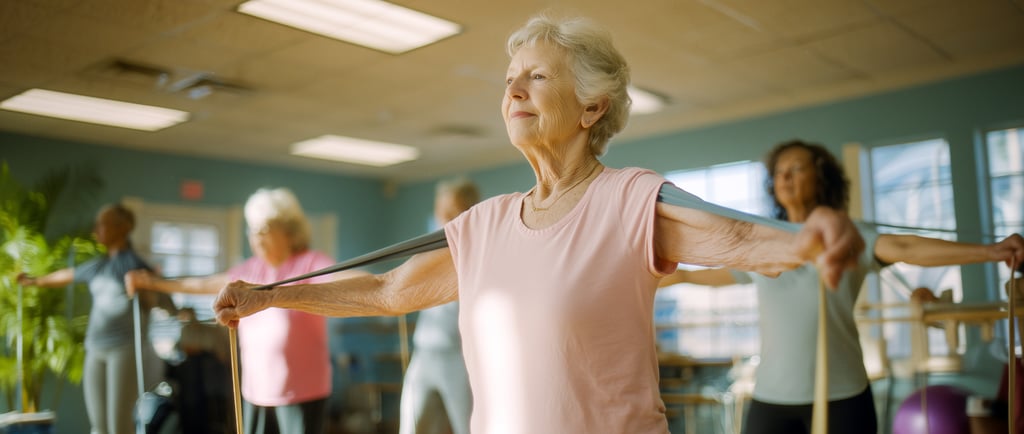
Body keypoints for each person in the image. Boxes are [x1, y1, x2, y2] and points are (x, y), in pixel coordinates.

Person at [213, 14, 867, 433]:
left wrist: (812, 238)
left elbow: (737, 239)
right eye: (508, 80)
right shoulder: (485, 225)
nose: (513, 90)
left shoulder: (628, 201)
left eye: (535, 76)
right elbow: (386, 293)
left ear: (591, 108)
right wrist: (270, 297)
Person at [659, 139, 1024, 434]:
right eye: (779, 171)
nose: (784, 178)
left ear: (821, 177)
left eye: (795, 169)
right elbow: (702, 275)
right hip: (771, 398)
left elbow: (907, 247)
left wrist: (991, 251)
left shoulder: (853, 236)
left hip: (843, 396)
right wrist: (664, 274)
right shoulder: (763, 243)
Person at [125, 187, 361, 434]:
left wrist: (383, 286)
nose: (256, 237)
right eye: (252, 229)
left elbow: (342, 278)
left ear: (289, 231)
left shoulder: (310, 263)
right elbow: (204, 283)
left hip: (303, 390)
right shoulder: (248, 270)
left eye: (265, 229)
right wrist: (151, 282)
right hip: (256, 389)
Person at [17, 203, 169, 434]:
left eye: (102, 224)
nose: (95, 229)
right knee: (99, 427)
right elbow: (68, 275)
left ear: (121, 228)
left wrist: (148, 288)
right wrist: (34, 281)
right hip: (95, 349)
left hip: (124, 349)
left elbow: (156, 302)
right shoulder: (99, 265)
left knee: (119, 425)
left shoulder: (135, 265)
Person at [399, 177, 479, 434]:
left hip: (459, 357)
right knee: (411, 428)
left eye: (450, 210)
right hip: (423, 355)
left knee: (467, 428)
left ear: (468, 210)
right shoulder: (429, 252)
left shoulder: (477, 252)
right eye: (439, 210)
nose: (442, 216)